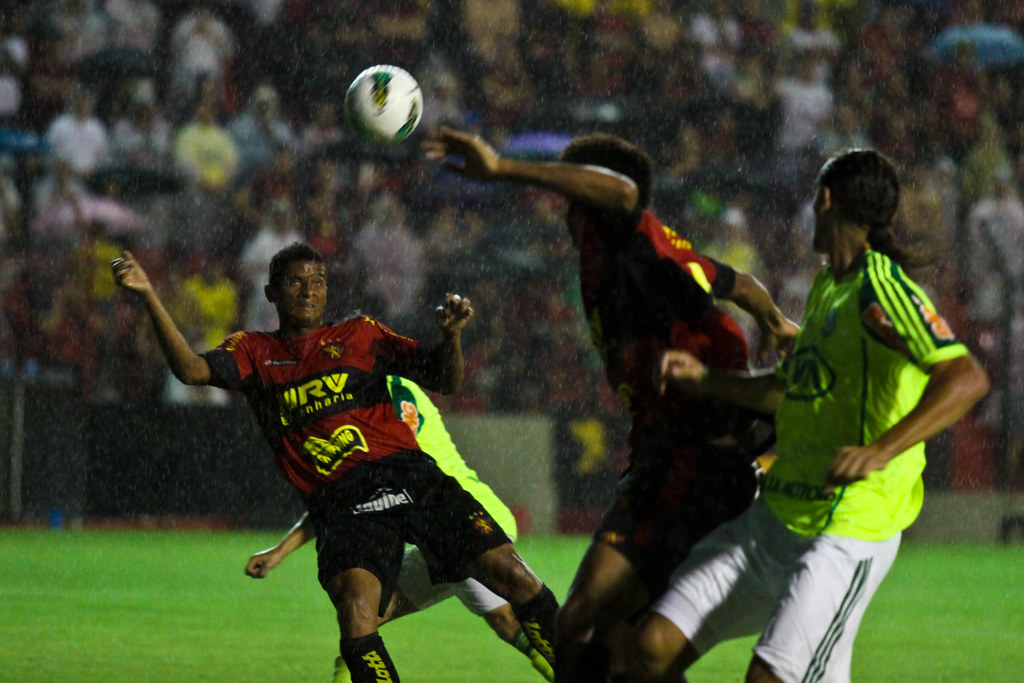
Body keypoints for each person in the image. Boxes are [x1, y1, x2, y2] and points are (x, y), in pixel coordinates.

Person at [423, 127, 799, 681]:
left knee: (582, 626)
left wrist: (502, 169)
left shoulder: (624, 238)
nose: (563, 214)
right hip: (666, 461)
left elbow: (624, 192)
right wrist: (774, 320)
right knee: (627, 648)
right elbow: (738, 281)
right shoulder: (654, 253)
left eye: (571, 198)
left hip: (696, 463)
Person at [112, 242, 558, 682]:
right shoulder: (254, 351)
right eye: (295, 282)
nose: (309, 291)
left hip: (411, 477)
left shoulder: (361, 335)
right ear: (271, 293)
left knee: (514, 577)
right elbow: (191, 370)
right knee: (358, 614)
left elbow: (446, 379)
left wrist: (451, 337)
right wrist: (149, 294)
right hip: (344, 501)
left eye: (318, 281)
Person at [627, 148, 990, 682]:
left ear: (826, 200)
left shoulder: (879, 290)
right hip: (775, 519)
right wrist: (703, 379)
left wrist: (880, 450)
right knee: (649, 649)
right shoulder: (829, 286)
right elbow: (788, 392)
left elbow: (966, 377)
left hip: (846, 530)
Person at [246, 374, 555, 683]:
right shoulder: (388, 389)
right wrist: (280, 551)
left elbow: (352, 493)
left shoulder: (375, 396)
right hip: (446, 522)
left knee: (505, 619)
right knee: (364, 620)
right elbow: (346, 496)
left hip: (460, 519)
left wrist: (281, 550)